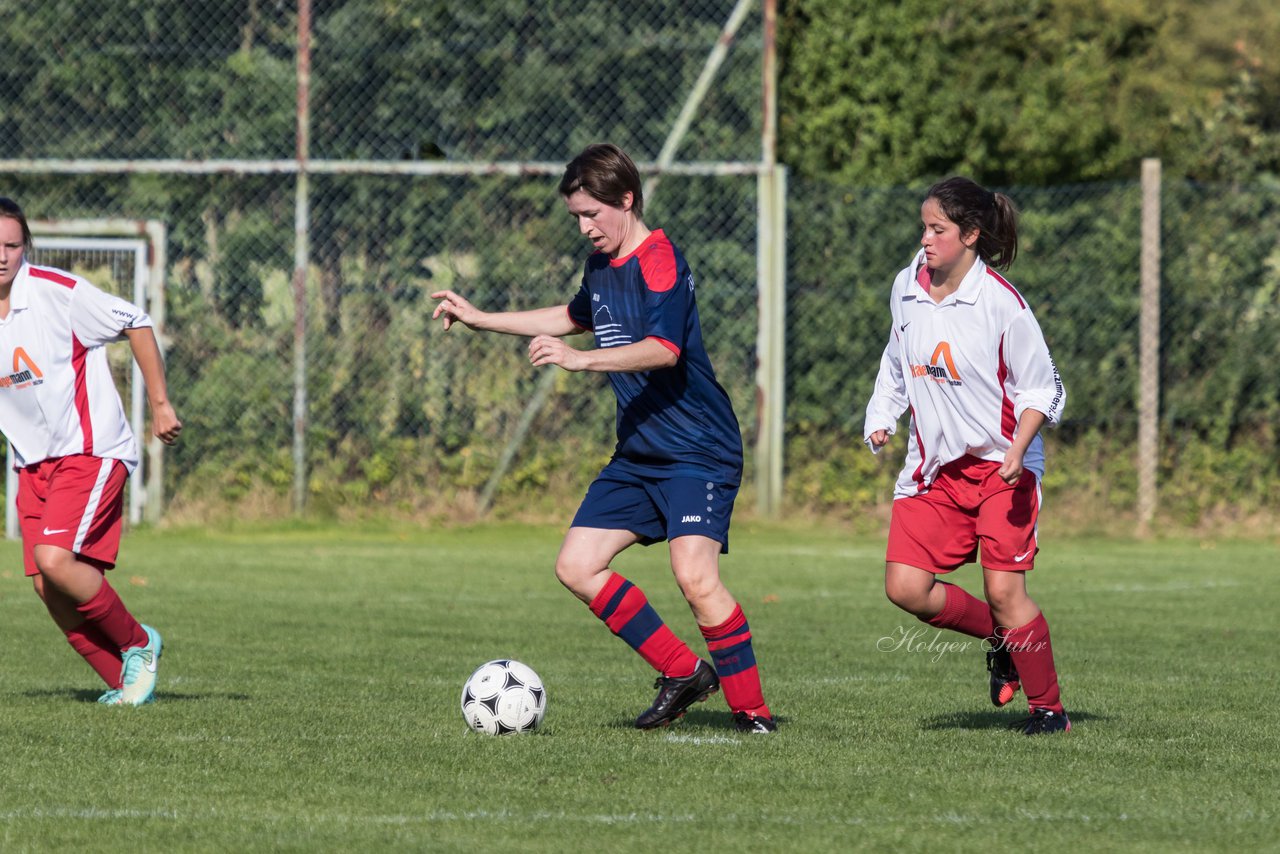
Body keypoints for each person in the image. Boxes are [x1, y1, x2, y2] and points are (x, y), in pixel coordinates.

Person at [431, 143, 775, 733]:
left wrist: (581, 362)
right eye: (577, 218)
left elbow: (664, 351)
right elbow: (570, 317)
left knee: (695, 578)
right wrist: (481, 318)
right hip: (641, 451)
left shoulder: (659, 259)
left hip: (698, 451)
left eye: (594, 214)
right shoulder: (601, 266)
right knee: (577, 565)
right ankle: (682, 673)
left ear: (627, 199)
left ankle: (754, 713)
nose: (587, 227)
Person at [863, 177, 1070, 735]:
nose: (926, 240)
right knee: (905, 588)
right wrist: (882, 414)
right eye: (924, 228)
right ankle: (1002, 637)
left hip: (1003, 465)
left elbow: (1043, 390)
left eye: (939, 230)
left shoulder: (1003, 306)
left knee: (1005, 591)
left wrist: (1019, 450)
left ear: (972, 235)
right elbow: (896, 355)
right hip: (937, 470)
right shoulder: (906, 285)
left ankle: (1048, 710)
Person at [0, 197, 182, 705]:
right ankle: (122, 683)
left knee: (55, 560)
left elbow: (137, 322)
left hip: (90, 450)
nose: (2, 255)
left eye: (12, 245)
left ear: (25, 248)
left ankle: (139, 644)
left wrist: (161, 405)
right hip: (32, 464)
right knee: (46, 586)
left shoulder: (57, 293)